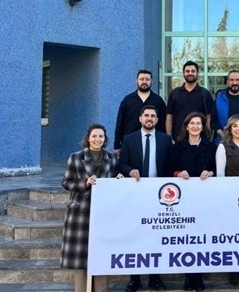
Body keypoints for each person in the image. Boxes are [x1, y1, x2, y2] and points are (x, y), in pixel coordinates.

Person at [60, 124, 122, 292]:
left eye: (101, 136)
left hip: (104, 214)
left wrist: (119, 179)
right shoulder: (75, 157)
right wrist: (84, 183)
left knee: (102, 256)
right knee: (80, 259)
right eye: (94, 136)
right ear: (88, 138)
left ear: (105, 139)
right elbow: (66, 182)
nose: (97, 139)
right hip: (80, 214)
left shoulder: (112, 158)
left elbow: (114, 180)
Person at [119, 105, 173, 292]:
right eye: (146, 115)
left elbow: (170, 166)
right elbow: (122, 163)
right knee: (136, 236)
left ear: (157, 120)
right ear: (140, 118)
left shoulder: (166, 140)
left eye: (153, 116)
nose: (149, 118)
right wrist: (129, 171)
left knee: (156, 237)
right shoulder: (129, 139)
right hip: (136, 195)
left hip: (159, 196)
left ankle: (154, 277)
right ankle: (134, 278)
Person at [171, 112, 216, 291]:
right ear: (187, 126)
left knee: (202, 238)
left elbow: (216, 170)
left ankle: (198, 277)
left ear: (202, 127)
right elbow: (169, 169)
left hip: (205, 199)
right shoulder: (177, 147)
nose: (195, 126)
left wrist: (210, 173)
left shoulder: (211, 147)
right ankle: (188, 276)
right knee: (187, 238)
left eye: (198, 123)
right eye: (192, 123)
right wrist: (178, 174)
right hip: (184, 200)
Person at [215, 114, 239, 287]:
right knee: (234, 237)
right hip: (231, 198)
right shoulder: (223, 147)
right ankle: (236, 276)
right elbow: (220, 174)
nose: (238, 129)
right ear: (229, 129)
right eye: (235, 126)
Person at [114, 69, 167, 155]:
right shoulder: (127, 100)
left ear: (151, 81)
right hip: (130, 144)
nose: (144, 82)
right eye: (142, 79)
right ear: (137, 81)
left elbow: (162, 124)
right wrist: (117, 145)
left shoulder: (158, 101)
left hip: (152, 143)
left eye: (147, 79)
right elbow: (120, 123)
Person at [166, 61, 214, 141]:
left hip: (199, 138)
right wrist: (169, 137)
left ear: (197, 73)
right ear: (183, 73)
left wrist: (207, 134)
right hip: (178, 139)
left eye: (193, 71)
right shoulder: (175, 94)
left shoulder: (205, 94)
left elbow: (209, 116)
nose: (190, 73)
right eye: (187, 71)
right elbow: (169, 116)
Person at [211, 70, 239, 145]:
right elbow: (213, 121)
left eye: (237, 80)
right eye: (231, 80)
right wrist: (224, 136)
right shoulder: (219, 98)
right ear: (227, 82)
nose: (234, 82)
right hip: (223, 142)